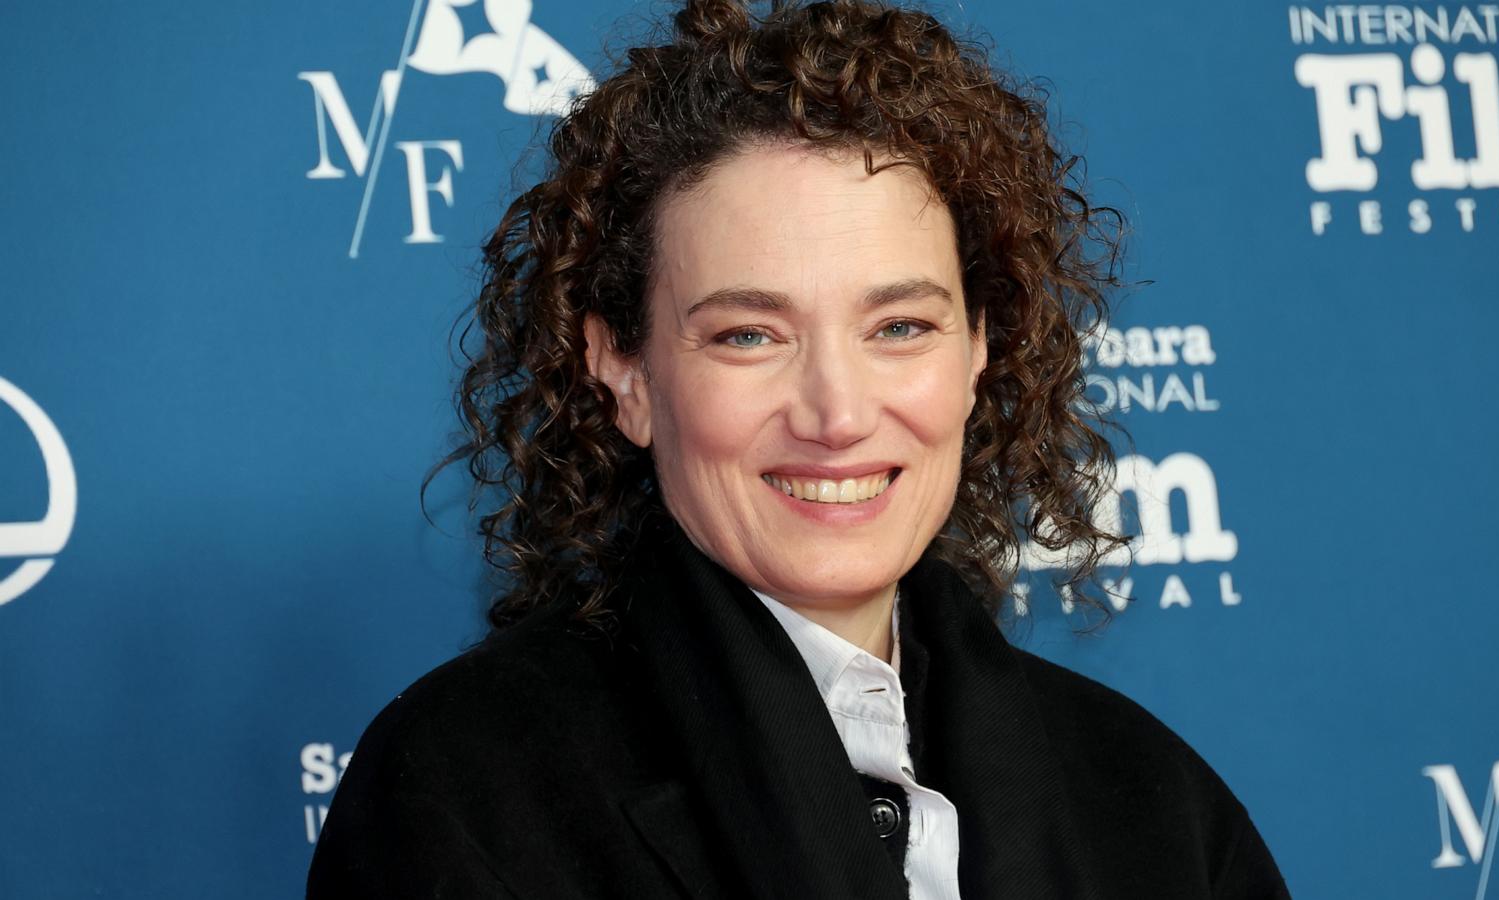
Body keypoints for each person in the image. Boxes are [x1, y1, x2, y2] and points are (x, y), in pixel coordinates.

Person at [306, 1, 1292, 897]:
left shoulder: (1152, 802)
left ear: (981, 349)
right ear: (626, 372)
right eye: (749, 335)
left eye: (899, 327)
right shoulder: (464, 795)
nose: (836, 413)